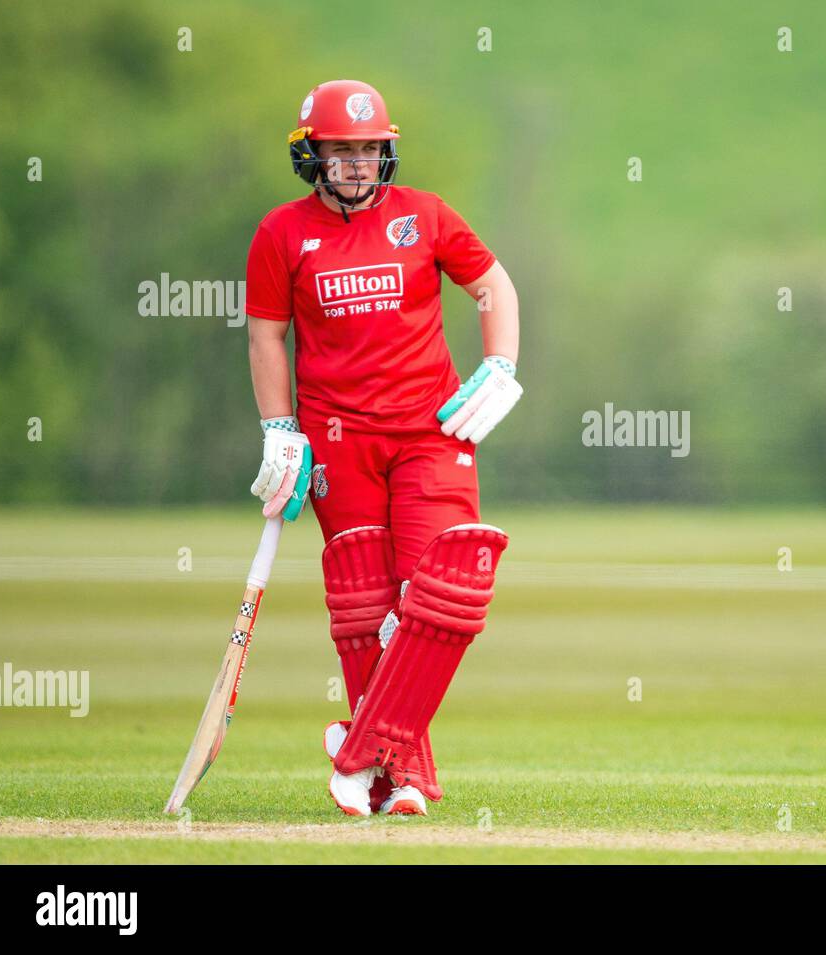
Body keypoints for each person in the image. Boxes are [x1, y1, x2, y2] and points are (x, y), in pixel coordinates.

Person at [244, 79, 521, 816]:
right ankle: (400, 778)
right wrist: (279, 429)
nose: (360, 164)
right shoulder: (280, 234)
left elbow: (493, 283)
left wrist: (501, 363)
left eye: (370, 150)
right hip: (339, 440)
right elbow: (267, 332)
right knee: (366, 610)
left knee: (445, 592)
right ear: (312, 157)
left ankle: (356, 748)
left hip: (431, 430)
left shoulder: (424, 216)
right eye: (343, 151)